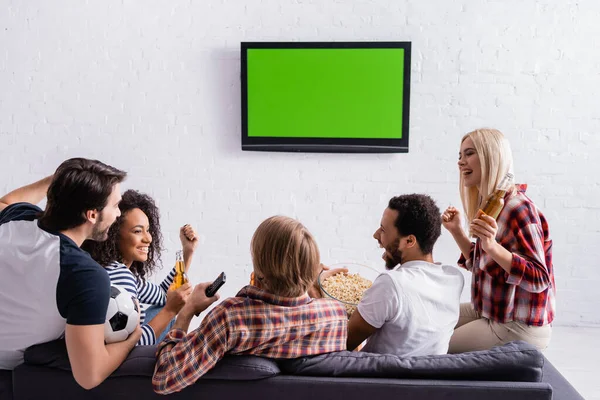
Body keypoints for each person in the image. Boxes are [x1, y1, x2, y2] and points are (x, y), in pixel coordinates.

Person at [152, 216, 348, 395]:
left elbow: (165, 378)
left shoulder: (232, 317)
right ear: (312, 266)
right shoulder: (336, 314)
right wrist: (314, 287)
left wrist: (187, 311)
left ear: (260, 271)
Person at [0, 158, 141, 389]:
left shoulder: (16, 219)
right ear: (92, 215)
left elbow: (6, 201)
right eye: (115, 205)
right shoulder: (84, 274)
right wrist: (134, 337)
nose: (118, 214)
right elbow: (89, 376)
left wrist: (59, 181)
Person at [442, 128, 555, 353]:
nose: (461, 162)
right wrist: (457, 232)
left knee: (432, 344)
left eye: (469, 153)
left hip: (517, 325)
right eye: (460, 156)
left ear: (491, 156)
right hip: (490, 310)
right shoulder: (492, 204)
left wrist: (492, 245)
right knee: (427, 322)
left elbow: (540, 278)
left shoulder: (519, 209)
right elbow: (485, 265)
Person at [345, 194, 464, 356]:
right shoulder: (454, 279)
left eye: (383, 230)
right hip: (426, 376)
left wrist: (316, 292)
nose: (376, 235)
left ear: (409, 241)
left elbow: (342, 344)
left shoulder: (391, 284)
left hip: (376, 377)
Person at [83, 189, 198, 345]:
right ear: (114, 234)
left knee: (158, 309)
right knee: (165, 313)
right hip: (125, 363)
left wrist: (187, 253)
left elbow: (165, 295)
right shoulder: (120, 276)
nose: (148, 238)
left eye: (148, 230)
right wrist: (174, 311)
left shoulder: (117, 271)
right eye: (137, 231)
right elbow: (128, 348)